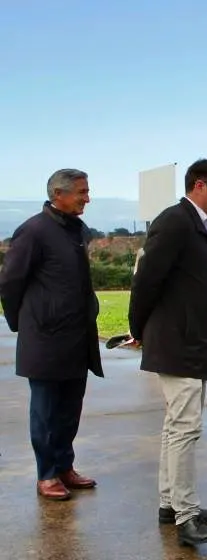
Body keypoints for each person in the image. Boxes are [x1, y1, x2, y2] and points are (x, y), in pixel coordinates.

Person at [128, 159, 207, 546]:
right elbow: (146, 280)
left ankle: (171, 503)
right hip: (177, 341)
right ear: (200, 185)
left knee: (176, 425)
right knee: (186, 427)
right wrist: (138, 328)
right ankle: (186, 517)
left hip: (190, 341)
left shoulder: (198, 226)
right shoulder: (174, 221)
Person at [0, 169, 102, 501]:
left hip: (77, 337)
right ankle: (46, 474)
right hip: (45, 339)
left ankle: (63, 466)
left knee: (70, 409)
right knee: (45, 411)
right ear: (59, 194)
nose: (87, 197)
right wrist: (26, 324)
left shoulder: (76, 230)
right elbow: (10, 284)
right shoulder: (33, 231)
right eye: (82, 192)